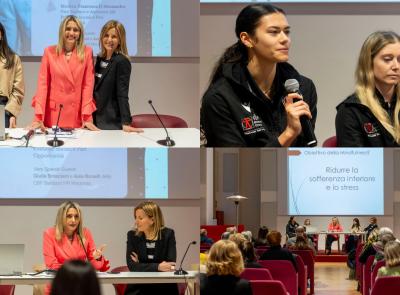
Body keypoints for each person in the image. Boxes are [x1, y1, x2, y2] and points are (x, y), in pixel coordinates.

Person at [201, 3, 317, 147]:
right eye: (274, 32)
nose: (285, 39)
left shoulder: (303, 88)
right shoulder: (220, 98)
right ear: (247, 39)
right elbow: (236, 166)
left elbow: (304, 152)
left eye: (286, 32)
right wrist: (289, 133)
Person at [30, 15, 99, 131]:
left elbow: (88, 86)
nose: (71, 33)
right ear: (62, 30)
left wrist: (87, 118)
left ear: (80, 33)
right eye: (68, 29)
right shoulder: (49, 52)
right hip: (53, 113)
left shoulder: (87, 52)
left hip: (75, 114)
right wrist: (38, 117)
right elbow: (43, 86)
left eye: (75, 30)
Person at [336, 31, 400, 147]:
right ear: (369, 63)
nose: (396, 66)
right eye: (387, 59)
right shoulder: (351, 111)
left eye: (399, 59)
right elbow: (356, 163)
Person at [43, 201, 108, 294]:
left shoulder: (85, 233)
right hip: (60, 285)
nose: (73, 220)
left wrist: (97, 257)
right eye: (69, 216)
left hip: (82, 286)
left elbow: (95, 266)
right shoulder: (49, 234)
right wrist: (79, 271)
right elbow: (51, 264)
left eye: (76, 216)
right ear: (61, 217)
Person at [93, 20, 142, 132]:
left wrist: (126, 122)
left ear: (120, 40)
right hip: (95, 121)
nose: (109, 40)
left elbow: (122, 94)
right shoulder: (100, 59)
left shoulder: (122, 61)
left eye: (114, 36)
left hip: (111, 123)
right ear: (101, 37)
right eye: (106, 35)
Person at [125, 201, 178, 295]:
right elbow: (132, 266)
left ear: (152, 220)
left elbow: (171, 265)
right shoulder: (132, 235)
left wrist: (141, 264)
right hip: (139, 286)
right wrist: (158, 266)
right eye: (136, 217)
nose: (136, 222)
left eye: (140, 218)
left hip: (163, 286)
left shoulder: (168, 234)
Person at [0, 22, 24, 128]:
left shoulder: (13, 59)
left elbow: (18, 90)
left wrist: (11, 113)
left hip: (4, 108)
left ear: (1, 34)